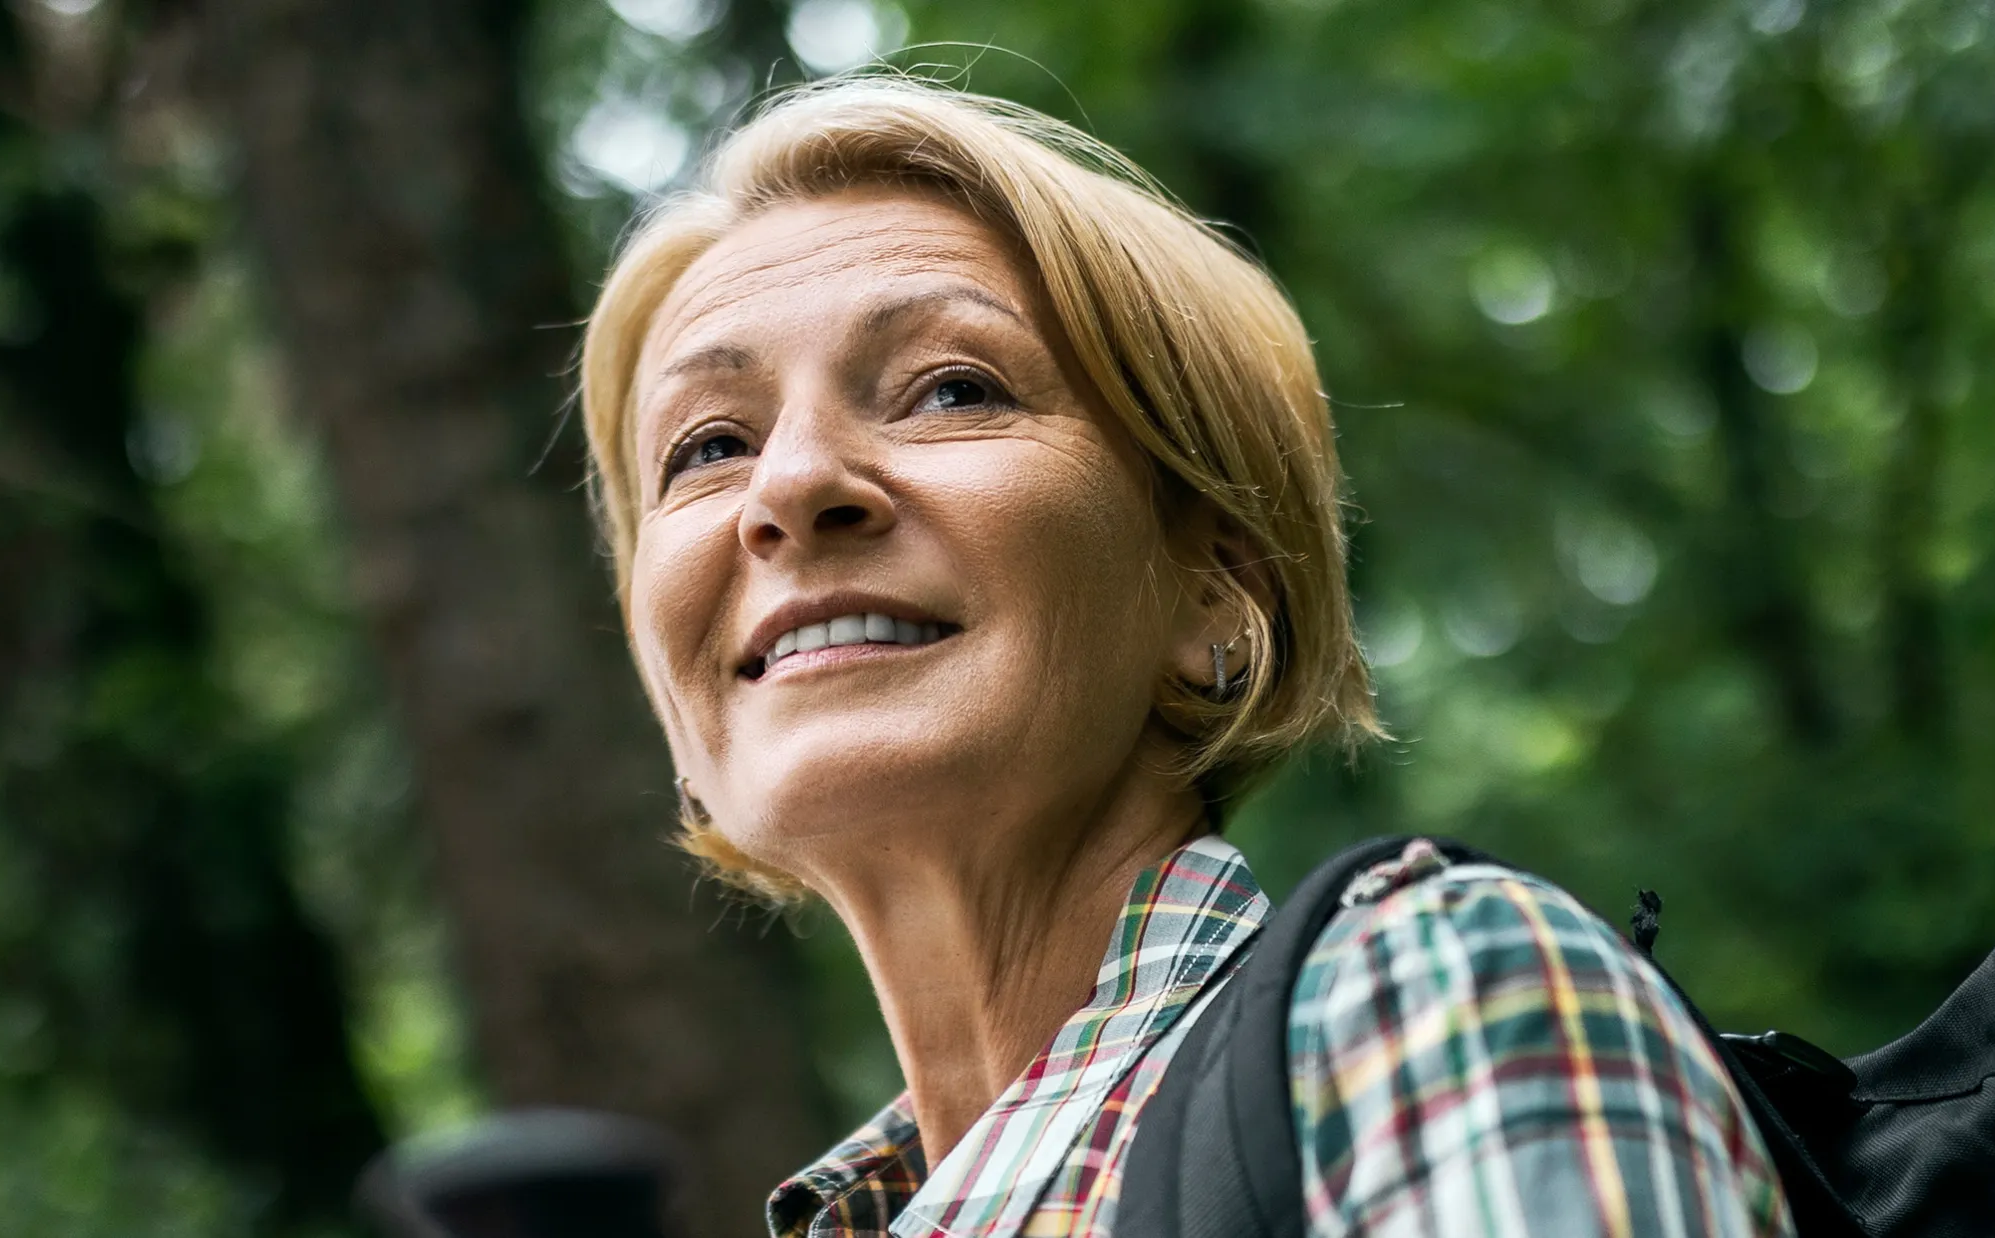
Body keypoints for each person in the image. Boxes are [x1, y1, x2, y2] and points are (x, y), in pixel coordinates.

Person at [578, 76, 1791, 1238]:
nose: (788, 487)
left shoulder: (1420, 1003)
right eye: (706, 446)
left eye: (949, 389)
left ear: (1212, 594)